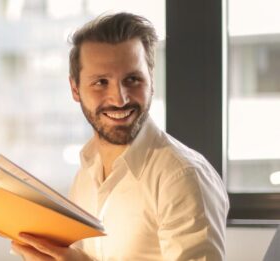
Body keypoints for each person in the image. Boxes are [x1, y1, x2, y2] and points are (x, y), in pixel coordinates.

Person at [11, 12, 229, 260]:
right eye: (101, 82)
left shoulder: (182, 176)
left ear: (151, 82)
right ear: (75, 89)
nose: (120, 99)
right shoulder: (85, 172)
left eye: (132, 79)